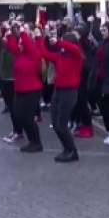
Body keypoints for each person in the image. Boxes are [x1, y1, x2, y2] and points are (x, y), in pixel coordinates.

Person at [35, 28, 83, 162]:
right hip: (58, 90)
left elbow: (74, 49)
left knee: (62, 124)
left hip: (70, 92)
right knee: (55, 123)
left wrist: (59, 42)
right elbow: (44, 53)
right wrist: (38, 38)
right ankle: (66, 149)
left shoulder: (76, 56)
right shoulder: (60, 56)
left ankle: (72, 151)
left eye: (63, 41)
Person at [5, 23, 44, 152]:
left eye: (22, 42)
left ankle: (36, 143)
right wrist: (10, 31)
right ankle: (31, 141)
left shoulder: (33, 54)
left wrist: (22, 32)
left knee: (28, 118)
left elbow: (27, 42)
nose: (20, 44)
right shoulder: (20, 54)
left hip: (31, 91)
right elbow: (12, 45)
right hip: (20, 91)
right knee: (18, 115)